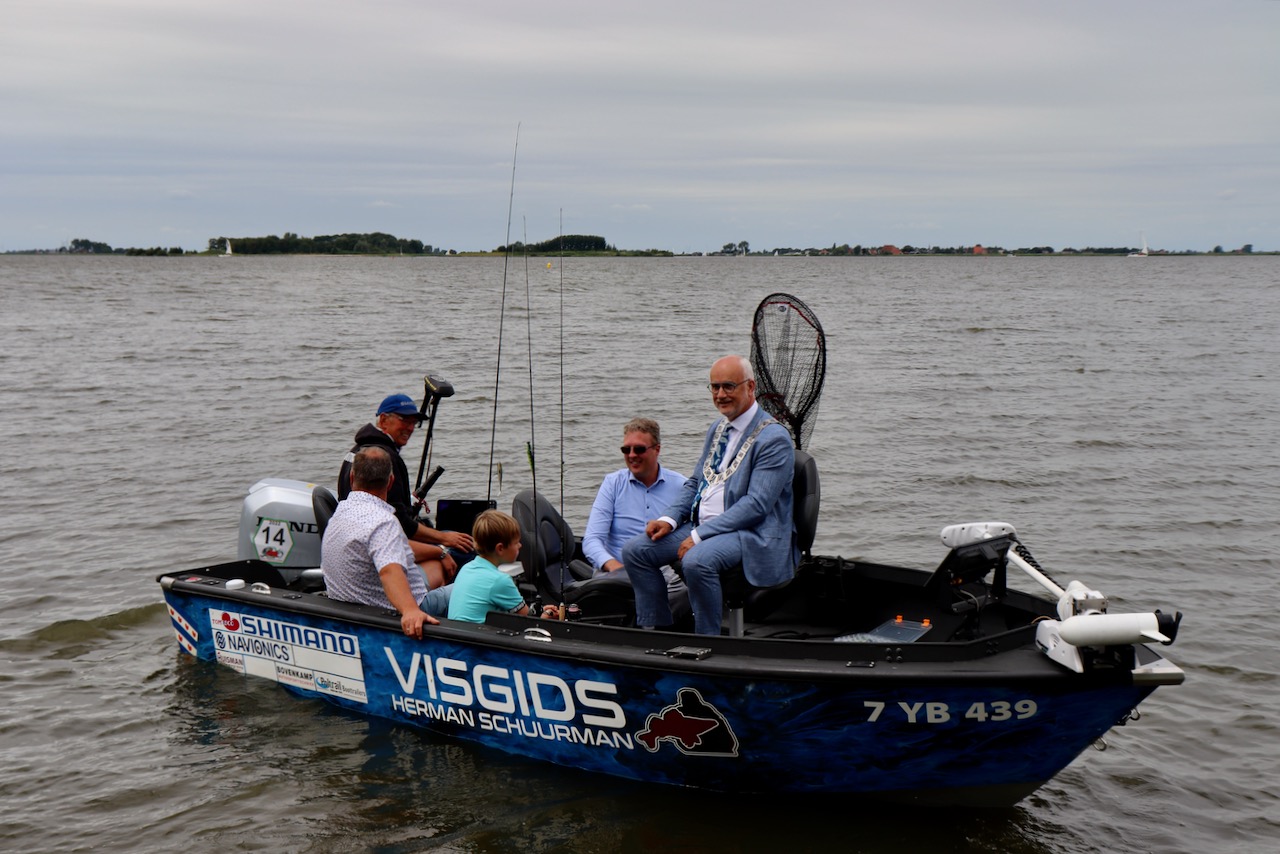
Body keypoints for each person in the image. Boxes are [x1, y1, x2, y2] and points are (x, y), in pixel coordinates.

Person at [622, 355, 797, 635]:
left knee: (697, 560)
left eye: (729, 386)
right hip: (703, 524)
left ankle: (708, 640)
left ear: (750, 387)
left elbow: (756, 506)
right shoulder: (718, 428)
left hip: (751, 533)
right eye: (715, 387)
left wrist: (698, 536)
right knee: (636, 551)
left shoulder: (773, 438)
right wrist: (669, 519)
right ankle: (658, 631)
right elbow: (695, 482)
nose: (720, 394)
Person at [339, 393, 474, 590]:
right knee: (465, 548)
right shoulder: (385, 458)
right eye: (404, 420)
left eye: (413, 423)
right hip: (384, 543)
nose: (410, 428)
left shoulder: (356, 450)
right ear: (383, 420)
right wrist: (444, 540)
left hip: (361, 540)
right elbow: (401, 524)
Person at [322, 446, 452, 639]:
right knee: (476, 585)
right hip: (393, 611)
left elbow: (388, 552)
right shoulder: (383, 521)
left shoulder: (341, 511)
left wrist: (439, 552)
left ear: (351, 477)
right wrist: (410, 610)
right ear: (390, 481)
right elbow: (389, 571)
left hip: (357, 602)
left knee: (435, 566)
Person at [582, 417, 687, 577]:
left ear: (657, 449)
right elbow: (592, 540)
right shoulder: (612, 484)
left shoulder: (682, 486)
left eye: (639, 449)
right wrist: (616, 568)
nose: (631, 455)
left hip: (666, 575)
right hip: (615, 574)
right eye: (626, 450)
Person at [448, 510, 558, 623]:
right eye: (516, 543)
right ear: (500, 548)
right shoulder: (499, 580)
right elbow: (529, 620)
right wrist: (546, 616)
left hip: (459, 630)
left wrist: (540, 610)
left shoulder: (466, 568)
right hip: (478, 633)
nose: (520, 546)